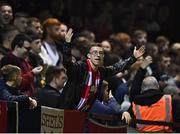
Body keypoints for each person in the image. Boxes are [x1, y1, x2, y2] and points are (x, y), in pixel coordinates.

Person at [62, 29, 145, 112]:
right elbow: (68, 63)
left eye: (100, 53)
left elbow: (117, 67)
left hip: (84, 112)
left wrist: (133, 58)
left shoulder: (101, 71)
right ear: (88, 55)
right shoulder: (80, 68)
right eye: (95, 52)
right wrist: (67, 44)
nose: (98, 55)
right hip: (67, 110)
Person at [130, 56, 180, 132]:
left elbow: (134, 91)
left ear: (142, 89)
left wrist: (142, 69)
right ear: (157, 87)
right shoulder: (170, 100)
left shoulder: (135, 103)